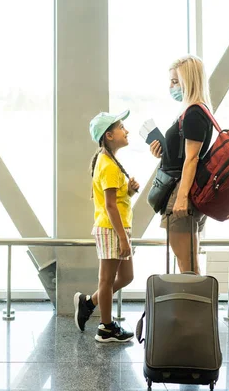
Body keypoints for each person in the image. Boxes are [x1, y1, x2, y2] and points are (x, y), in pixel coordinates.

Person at [73, 110, 140, 343]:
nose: (126, 130)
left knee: (127, 276)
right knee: (107, 280)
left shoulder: (110, 161)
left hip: (117, 227)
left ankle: (89, 303)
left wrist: (129, 191)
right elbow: (110, 207)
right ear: (109, 135)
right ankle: (106, 327)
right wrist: (123, 238)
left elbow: (115, 201)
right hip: (112, 229)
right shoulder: (109, 165)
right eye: (122, 127)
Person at [149, 55, 214, 274]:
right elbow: (184, 157)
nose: (171, 86)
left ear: (189, 82)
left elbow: (192, 159)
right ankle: (192, 308)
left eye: (175, 81)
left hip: (181, 193)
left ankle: (194, 308)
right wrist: (163, 154)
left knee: (187, 266)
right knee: (188, 263)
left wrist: (181, 198)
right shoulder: (195, 111)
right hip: (186, 190)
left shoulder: (194, 114)